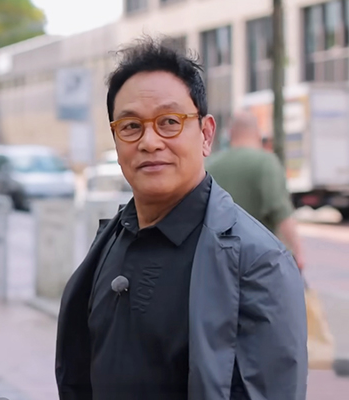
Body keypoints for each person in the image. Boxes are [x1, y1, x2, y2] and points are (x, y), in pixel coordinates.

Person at [55, 37, 307, 400]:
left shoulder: (259, 263)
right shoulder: (111, 241)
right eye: (130, 126)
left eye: (169, 122)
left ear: (206, 134)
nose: (149, 141)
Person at [207, 111, 305, 270]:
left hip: (218, 261)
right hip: (259, 263)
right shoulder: (267, 162)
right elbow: (281, 213)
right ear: (258, 133)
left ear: (231, 134)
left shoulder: (210, 165)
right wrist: (298, 253)